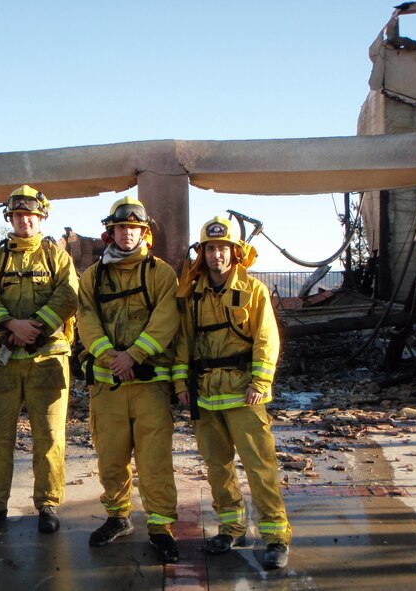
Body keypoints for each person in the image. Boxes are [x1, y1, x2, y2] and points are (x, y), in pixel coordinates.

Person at [173, 215, 291, 570]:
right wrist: (181, 385)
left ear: (235, 252)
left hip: (244, 394)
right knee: (217, 467)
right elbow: (184, 343)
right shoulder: (192, 294)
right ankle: (231, 528)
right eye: (211, 248)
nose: (217, 256)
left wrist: (260, 382)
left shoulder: (253, 291)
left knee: (260, 467)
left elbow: (267, 338)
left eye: (223, 248)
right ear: (203, 252)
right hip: (206, 394)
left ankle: (275, 537)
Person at [77, 196, 180, 564]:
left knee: (155, 461)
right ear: (112, 232)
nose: (127, 234)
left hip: (149, 386)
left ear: (144, 232)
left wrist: (132, 356)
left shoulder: (161, 274)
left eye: (134, 228)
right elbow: (85, 320)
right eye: (122, 228)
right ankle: (118, 517)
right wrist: (111, 358)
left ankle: (161, 527)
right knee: (111, 457)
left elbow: (166, 320)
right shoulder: (93, 277)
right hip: (108, 386)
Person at [0, 185, 78, 534]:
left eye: (30, 215)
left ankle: (48, 503)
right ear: (10, 218)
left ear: (41, 217)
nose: (24, 221)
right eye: (18, 216)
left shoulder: (57, 257)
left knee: (49, 437)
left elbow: (69, 294)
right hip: (5, 361)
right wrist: (11, 325)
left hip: (47, 360)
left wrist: (37, 326)